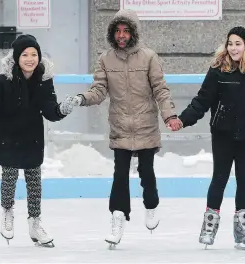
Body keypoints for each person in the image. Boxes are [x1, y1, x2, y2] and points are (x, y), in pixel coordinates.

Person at [66, 9, 181, 246]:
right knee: (120, 175)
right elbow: (99, 90)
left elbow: (160, 89)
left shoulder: (149, 57)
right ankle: (118, 217)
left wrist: (169, 115)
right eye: (117, 31)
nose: (121, 36)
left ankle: (151, 205)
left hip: (146, 124)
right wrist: (81, 98)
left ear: (133, 33)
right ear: (112, 33)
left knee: (146, 173)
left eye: (125, 31)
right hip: (120, 125)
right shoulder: (106, 59)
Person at [175, 26, 245, 249]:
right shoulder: (218, 70)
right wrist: (183, 120)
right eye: (230, 43)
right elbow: (202, 101)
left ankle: (242, 229)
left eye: (238, 43)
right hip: (222, 133)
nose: (233, 48)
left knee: (244, 179)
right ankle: (209, 226)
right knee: (220, 178)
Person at [0, 34, 74, 247]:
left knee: (34, 182)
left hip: (32, 136)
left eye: (34, 54)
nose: (30, 59)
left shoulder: (43, 81)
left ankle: (35, 223)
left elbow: (49, 110)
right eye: (25, 54)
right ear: (16, 57)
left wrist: (62, 110)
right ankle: (7, 212)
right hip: (7, 135)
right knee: (10, 175)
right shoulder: (2, 81)